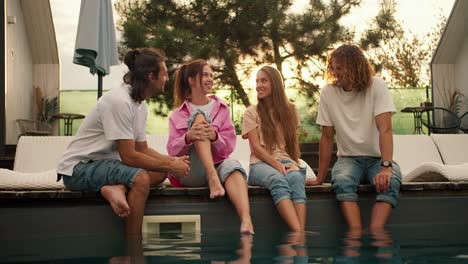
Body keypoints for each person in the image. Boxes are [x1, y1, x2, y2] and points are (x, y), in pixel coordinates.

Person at [57, 48, 190, 238]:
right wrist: (171, 164)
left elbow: (141, 148)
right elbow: (129, 156)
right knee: (141, 178)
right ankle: (133, 246)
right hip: (79, 169)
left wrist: (172, 162)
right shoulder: (119, 101)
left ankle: (116, 188)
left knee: (160, 173)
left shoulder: (139, 104)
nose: (167, 79)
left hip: (104, 166)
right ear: (152, 76)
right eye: (165, 74)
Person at [306, 44, 402, 230]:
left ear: (355, 66)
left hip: (377, 159)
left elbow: (385, 130)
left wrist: (386, 167)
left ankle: (376, 234)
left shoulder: (377, 86)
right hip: (348, 159)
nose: (335, 73)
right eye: (332, 68)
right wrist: (320, 177)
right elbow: (326, 138)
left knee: (391, 183)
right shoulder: (328, 92)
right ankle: (356, 235)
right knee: (341, 182)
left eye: (340, 68)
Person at [167, 59, 254, 235]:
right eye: (205, 75)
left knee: (233, 167)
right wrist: (187, 137)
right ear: (191, 80)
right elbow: (172, 150)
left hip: (218, 165)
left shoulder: (222, 109)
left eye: (211, 75)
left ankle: (246, 220)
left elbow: (228, 148)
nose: (210, 79)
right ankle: (213, 178)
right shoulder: (178, 114)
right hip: (192, 171)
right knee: (199, 119)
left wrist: (215, 136)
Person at [242, 66, 307, 232]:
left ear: (275, 84)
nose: (259, 85)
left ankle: (298, 239)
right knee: (277, 179)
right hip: (260, 164)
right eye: (257, 81)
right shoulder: (251, 112)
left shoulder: (290, 110)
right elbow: (256, 148)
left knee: (296, 179)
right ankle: (299, 234)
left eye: (264, 80)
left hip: (285, 160)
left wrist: (294, 164)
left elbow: (293, 145)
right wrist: (276, 164)